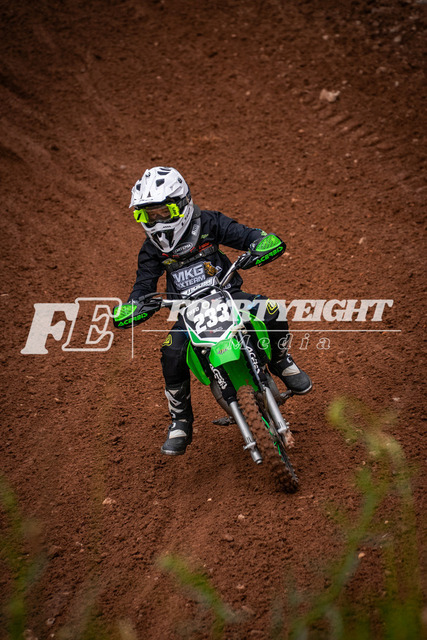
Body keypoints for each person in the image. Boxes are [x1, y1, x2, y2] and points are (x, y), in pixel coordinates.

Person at [116, 166, 311, 455]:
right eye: (148, 215)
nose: (157, 221)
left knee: (270, 309)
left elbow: (246, 235)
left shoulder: (207, 222)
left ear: (182, 204)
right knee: (171, 352)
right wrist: (134, 306)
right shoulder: (151, 249)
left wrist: (260, 242)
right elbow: (143, 285)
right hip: (188, 311)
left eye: (164, 212)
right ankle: (181, 420)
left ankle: (281, 361)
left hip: (229, 295)